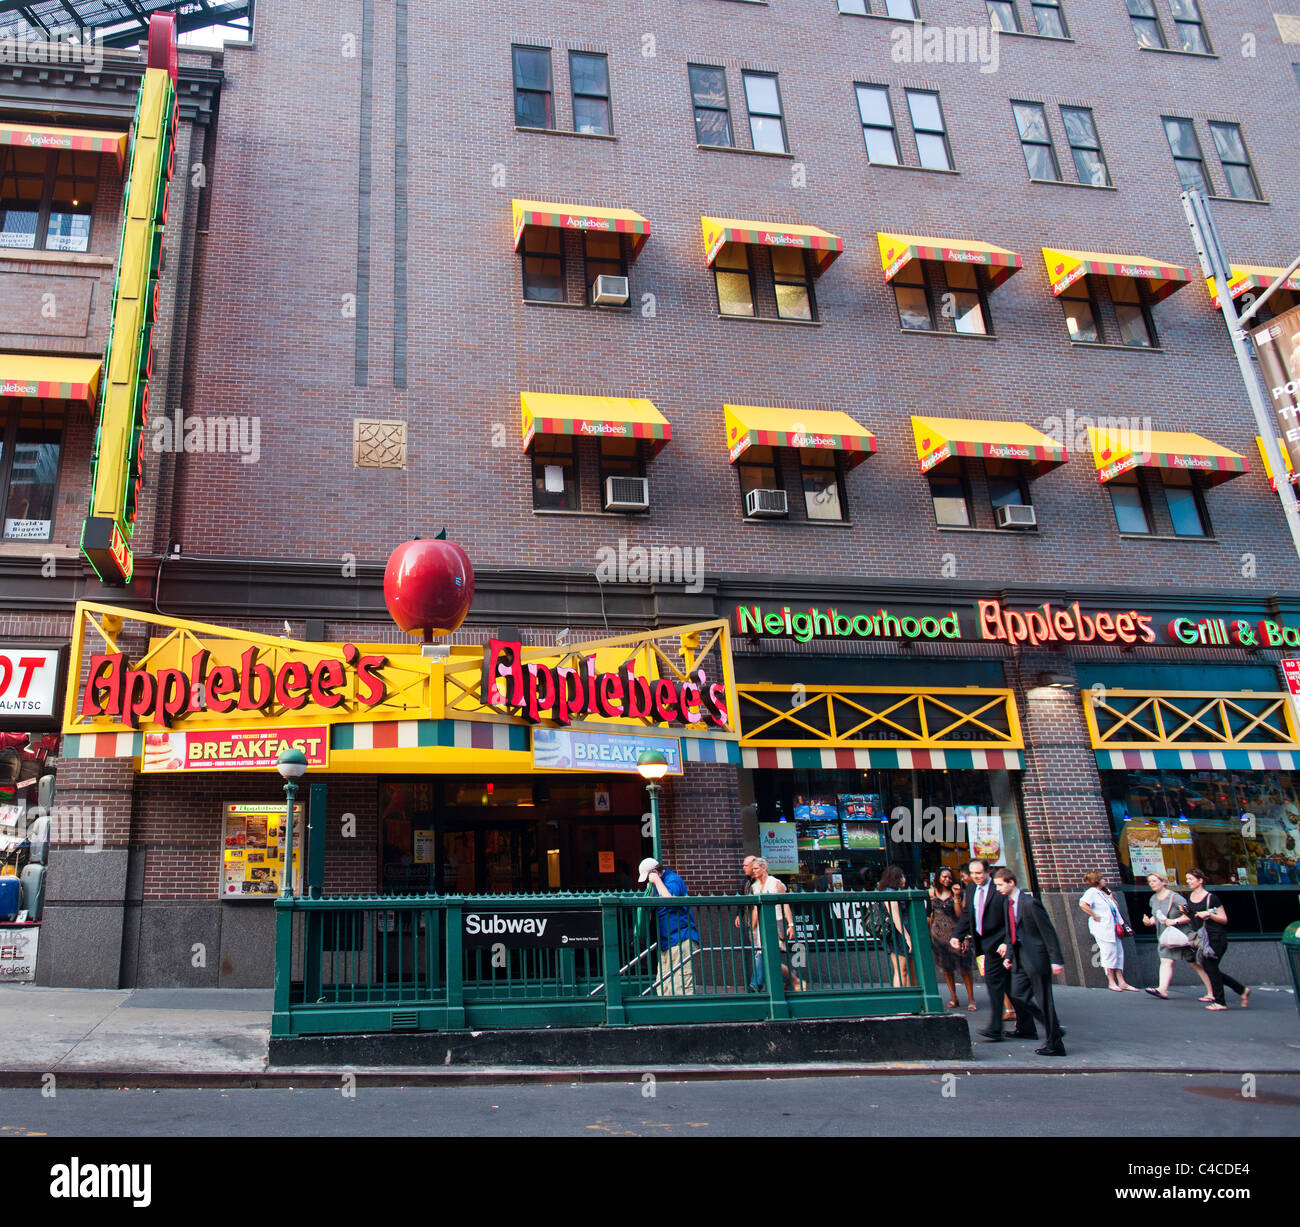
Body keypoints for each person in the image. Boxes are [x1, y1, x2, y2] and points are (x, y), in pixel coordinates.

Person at [951, 857, 1031, 1041]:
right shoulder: (970, 889)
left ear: (988, 872)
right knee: (1009, 986)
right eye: (972, 873)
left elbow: (1010, 916)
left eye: (979, 873)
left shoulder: (999, 888)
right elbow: (967, 914)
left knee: (995, 983)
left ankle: (996, 1027)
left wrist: (1006, 941)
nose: (975, 877)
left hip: (1000, 943)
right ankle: (1027, 1026)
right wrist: (957, 935)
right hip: (983, 943)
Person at [993, 867, 1067, 1056]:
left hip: (1036, 958)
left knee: (1044, 1000)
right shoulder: (1007, 904)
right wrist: (1009, 955)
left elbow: (1047, 932)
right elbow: (1011, 932)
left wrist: (1056, 960)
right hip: (1019, 958)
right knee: (1017, 994)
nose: (998, 889)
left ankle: (1055, 1044)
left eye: (1000, 885)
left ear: (1011, 883)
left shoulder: (1030, 903)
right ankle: (1053, 1027)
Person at [1186, 867, 1251, 1011]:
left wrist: (1208, 915)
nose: (1188, 882)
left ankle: (1220, 1001)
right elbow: (1191, 917)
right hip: (1203, 938)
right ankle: (1240, 990)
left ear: (1200, 880)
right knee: (1211, 969)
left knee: (1211, 968)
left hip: (1216, 937)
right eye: (1187, 879)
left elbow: (1224, 919)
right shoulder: (1189, 897)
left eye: (1190, 879)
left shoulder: (1212, 898)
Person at [1141, 872, 1212, 1000]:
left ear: (1163, 882)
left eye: (1154, 881)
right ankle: (1162, 989)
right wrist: (1149, 921)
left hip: (1182, 936)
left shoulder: (1176, 898)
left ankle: (1212, 992)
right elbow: (1157, 916)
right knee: (1165, 960)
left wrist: (1175, 921)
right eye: (1149, 881)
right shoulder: (1153, 899)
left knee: (1195, 964)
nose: (1151, 884)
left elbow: (1190, 915)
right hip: (1166, 937)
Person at [639, 857, 699, 995]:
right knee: (665, 984)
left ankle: (685, 1015)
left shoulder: (673, 880)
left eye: (649, 877)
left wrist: (656, 880)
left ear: (655, 872)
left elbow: (670, 900)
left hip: (680, 937)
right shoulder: (659, 884)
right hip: (667, 940)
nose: (648, 882)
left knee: (682, 983)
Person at [1079, 870, 1139, 992]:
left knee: (1118, 953)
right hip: (1103, 928)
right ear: (1097, 880)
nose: (1104, 881)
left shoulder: (1102, 893)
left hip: (1114, 928)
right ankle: (1111, 982)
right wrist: (1094, 915)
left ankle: (1122, 981)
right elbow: (1083, 904)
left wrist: (1111, 898)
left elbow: (1115, 908)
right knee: (1108, 953)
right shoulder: (1092, 892)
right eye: (1102, 879)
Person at [750, 856, 803, 992]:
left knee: (770, 957)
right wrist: (753, 928)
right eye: (753, 869)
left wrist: (790, 924)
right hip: (762, 925)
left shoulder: (775, 883)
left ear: (764, 868)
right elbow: (756, 909)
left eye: (756, 868)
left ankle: (793, 980)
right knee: (766, 956)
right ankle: (789, 980)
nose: (754, 871)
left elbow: (785, 904)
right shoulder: (755, 886)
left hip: (776, 922)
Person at [928, 867, 977, 1010]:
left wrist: (956, 897)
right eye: (944, 877)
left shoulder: (959, 893)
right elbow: (929, 915)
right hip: (939, 936)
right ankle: (953, 997)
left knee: (964, 968)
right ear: (938, 878)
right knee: (946, 968)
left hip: (956, 933)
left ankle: (971, 998)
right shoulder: (931, 894)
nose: (947, 880)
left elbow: (960, 914)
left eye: (949, 877)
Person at [877, 865, 914, 989]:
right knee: (902, 970)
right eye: (902, 876)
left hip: (898, 934)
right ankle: (903, 1000)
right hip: (898, 935)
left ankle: (908, 1000)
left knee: (903, 969)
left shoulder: (888, 892)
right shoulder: (891, 894)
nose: (904, 879)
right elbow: (896, 917)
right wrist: (907, 937)